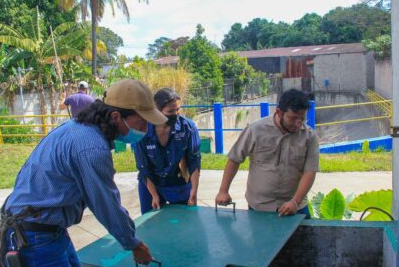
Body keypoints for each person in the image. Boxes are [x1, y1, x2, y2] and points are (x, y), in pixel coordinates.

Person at [0, 79, 167, 267]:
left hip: (48, 230)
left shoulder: (78, 127)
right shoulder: (91, 148)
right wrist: (133, 243)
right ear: (116, 117)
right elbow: (105, 204)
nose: (145, 130)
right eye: (141, 123)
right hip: (33, 239)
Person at [215, 89, 319, 218]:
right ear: (279, 113)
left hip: (296, 208)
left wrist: (295, 202)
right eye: (292, 118)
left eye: (302, 119)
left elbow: (310, 172)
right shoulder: (255, 130)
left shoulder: (309, 136)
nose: (298, 124)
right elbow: (234, 159)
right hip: (259, 206)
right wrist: (223, 191)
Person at [134, 88, 201, 215]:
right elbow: (144, 168)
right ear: (157, 111)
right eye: (170, 111)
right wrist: (154, 195)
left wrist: (194, 190)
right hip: (151, 183)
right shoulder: (142, 130)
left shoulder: (188, 128)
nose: (175, 114)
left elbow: (194, 161)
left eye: (178, 110)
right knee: (152, 223)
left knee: (186, 221)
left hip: (178, 183)